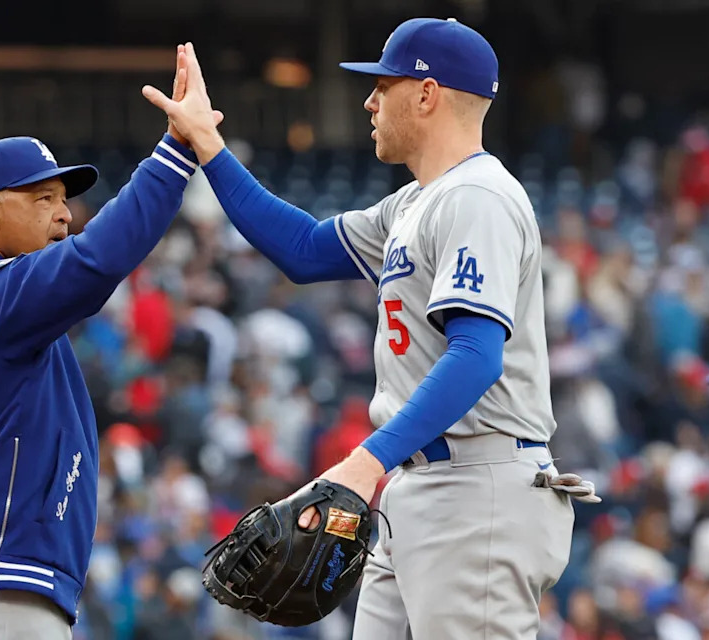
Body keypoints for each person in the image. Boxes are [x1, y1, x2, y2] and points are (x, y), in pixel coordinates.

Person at [143, 21, 584, 639]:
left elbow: (477, 355)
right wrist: (208, 145)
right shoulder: (413, 203)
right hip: (418, 485)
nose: (370, 101)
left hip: (476, 484)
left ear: (427, 95)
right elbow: (300, 249)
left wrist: (363, 462)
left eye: (385, 85)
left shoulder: (479, 196)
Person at [0, 48, 221, 639]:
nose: (64, 216)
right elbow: (97, 259)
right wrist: (176, 153)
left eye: (63, 199)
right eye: (41, 199)